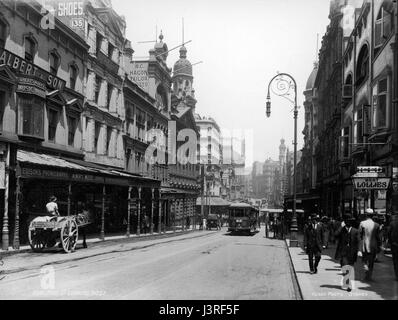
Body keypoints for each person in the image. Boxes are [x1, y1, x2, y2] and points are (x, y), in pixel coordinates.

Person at [358, 208, 382, 281]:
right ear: (372, 215)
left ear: (366, 215)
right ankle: (369, 276)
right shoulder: (377, 225)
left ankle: (366, 273)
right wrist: (379, 246)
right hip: (373, 246)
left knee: (365, 260)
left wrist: (359, 248)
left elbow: (359, 235)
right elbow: (378, 237)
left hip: (364, 245)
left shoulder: (362, 223)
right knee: (371, 262)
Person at [387, 212, 398, 281]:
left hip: (395, 245)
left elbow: (389, 233)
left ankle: (397, 275)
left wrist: (390, 242)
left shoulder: (392, 223)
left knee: (396, 260)